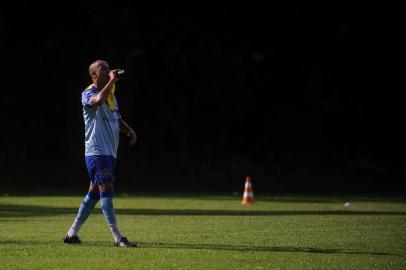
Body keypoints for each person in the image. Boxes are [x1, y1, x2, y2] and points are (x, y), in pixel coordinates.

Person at [63, 60, 137, 247]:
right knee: (107, 191)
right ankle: (118, 238)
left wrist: (129, 130)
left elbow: (116, 117)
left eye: (108, 68)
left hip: (109, 153)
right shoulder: (88, 93)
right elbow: (98, 101)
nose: (108, 71)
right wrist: (111, 81)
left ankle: (71, 234)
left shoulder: (111, 95)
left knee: (94, 194)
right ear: (94, 75)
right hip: (97, 153)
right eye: (103, 69)